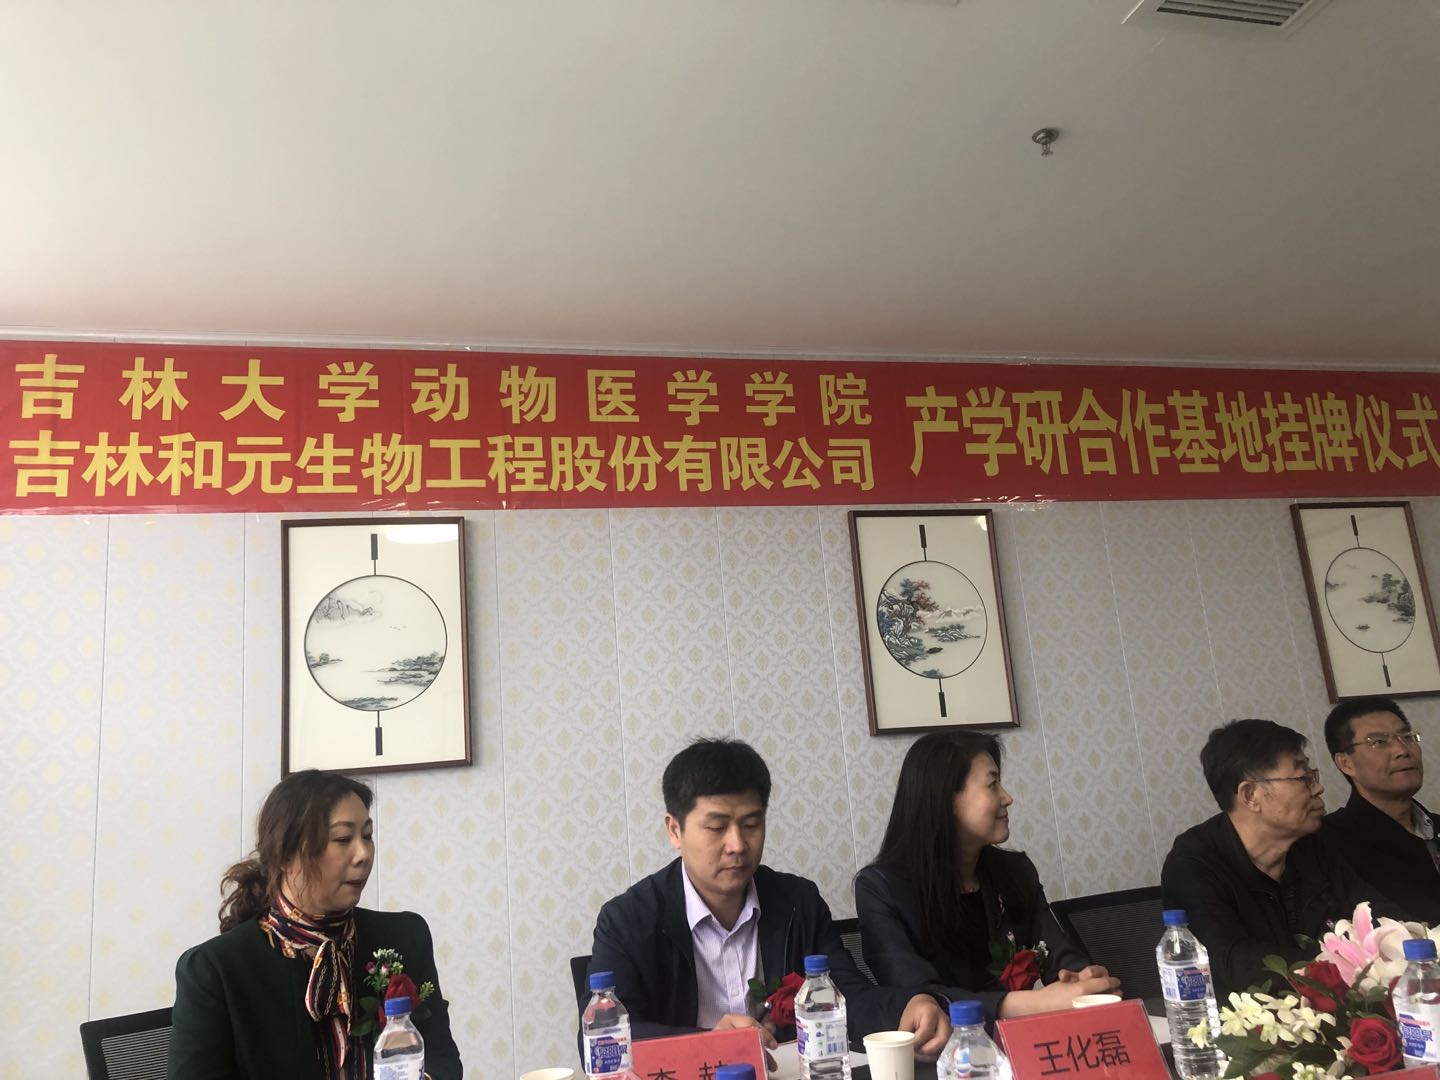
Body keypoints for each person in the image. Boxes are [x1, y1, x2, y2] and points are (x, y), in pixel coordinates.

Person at [583, 738, 952, 1062]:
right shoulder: (627, 920)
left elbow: (846, 997)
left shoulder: (797, 902)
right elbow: (601, 1040)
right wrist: (708, 1043)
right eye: (716, 827)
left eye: (751, 824)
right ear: (674, 830)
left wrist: (909, 1004)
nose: (737, 845)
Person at [168, 770, 462, 1080]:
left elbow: (442, 1059)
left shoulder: (404, 936)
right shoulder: (214, 970)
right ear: (285, 853)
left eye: (367, 835)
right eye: (343, 839)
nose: (363, 854)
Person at [854, 731, 1119, 1025]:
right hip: (945, 1048)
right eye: (993, 785)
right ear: (947, 799)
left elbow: (1059, 953)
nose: (1007, 797)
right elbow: (918, 997)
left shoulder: (1015, 871)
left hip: (1024, 1042)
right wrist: (1029, 1004)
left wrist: (1082, 979)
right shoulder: (881, 889)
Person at [1161, 718, 1383, 1001]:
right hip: (1248, 1018)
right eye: (1303, 778)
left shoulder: (1316, 844)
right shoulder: (1194, 863)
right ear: (1250, 795)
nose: (1318, 788)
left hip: (1337, 1004)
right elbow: (1231, 963)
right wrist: (1347, 964)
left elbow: (1378, 914)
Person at [1323, 696, 1440, 925]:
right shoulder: (1331, 840)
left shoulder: (1435, 825)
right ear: (1346, 763)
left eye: (1407, 737)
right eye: (1378, 742)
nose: (1402, 750)